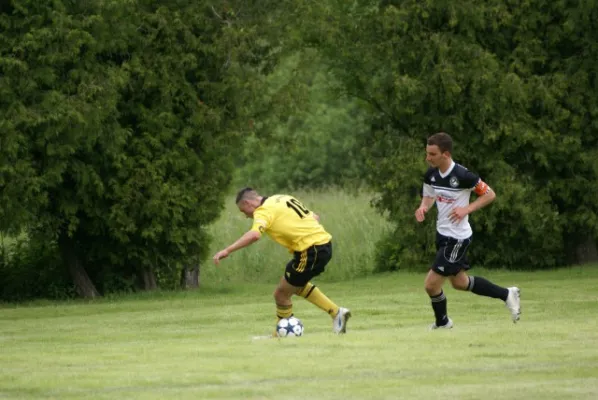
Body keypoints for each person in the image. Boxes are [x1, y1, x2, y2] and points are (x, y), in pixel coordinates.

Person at [414, 132, 521, 329]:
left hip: (457, 238)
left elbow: (490, 194)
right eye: (427, 153)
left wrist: (467, 209)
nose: (427, 158)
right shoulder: (431, 174)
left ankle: (443, 322)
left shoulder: (463, 176)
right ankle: (507, 294)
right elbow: (428, 196)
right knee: (460, 283)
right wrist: (423, 208)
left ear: (445, 154)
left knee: (431, 284)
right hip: (442, 234)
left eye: (432, 154)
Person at [213, 188, 351, 335]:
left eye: (243, 211)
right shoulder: (282, 198)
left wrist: (227, 250)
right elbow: (315, 217)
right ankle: (336, 312)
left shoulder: (263, 211)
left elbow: (254, 235)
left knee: (281, 294)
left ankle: (280, 334)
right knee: (295, 285)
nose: (246, 216)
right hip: (323, 244)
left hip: (310, 250)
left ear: (247, 203)